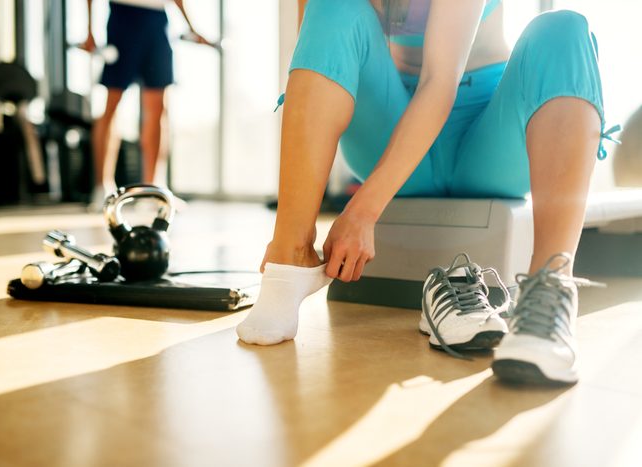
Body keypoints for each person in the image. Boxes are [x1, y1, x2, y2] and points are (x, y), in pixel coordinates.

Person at [236, 0, 619, 386]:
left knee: (563, 29)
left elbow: (439, 80)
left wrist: (362, 211)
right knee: (332, 7)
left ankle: (548, 291)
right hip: (393, 126)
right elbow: (323, 54)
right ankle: (291, 257)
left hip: (490, 140)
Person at [83, 0, 215, 205]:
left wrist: (191, 27)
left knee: (158, 109)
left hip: (157, 20)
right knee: (112, 107)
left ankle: (152, 190)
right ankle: (102, 188)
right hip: (123, 16)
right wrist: (89, 30)